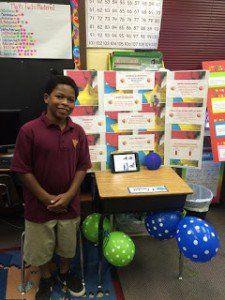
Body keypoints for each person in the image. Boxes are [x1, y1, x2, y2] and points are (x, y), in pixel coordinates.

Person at [11, 75, 92, 300]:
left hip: (69, 204)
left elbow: (82, 167)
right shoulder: (29, 130)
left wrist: (68, 195)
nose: (65, 103)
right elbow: (22, 170)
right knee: (42, 247)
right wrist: (46, 198)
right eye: (59, 96)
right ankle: (46, 277)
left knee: (67, 245)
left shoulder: (78, 133)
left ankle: (65, 273)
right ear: (47, 98)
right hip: (39, 206)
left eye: (71, 99)